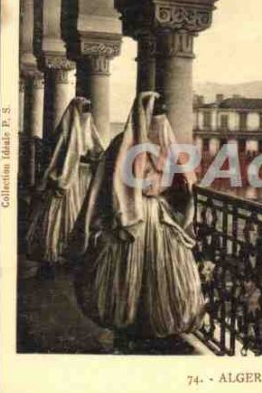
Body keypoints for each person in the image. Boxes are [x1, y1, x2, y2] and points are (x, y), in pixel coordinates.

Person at [73, 92, 205, 348]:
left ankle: (140, 325)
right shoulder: (167, 147)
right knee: (138, 276)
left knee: (146, 275)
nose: (160, 121)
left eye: (161, 115)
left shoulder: (125, 145)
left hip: (139, 216)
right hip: (149, 216)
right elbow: (186, 185)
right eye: (158, 115)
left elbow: (104, 185)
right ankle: (139, 325)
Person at [25, 97, 103, 277]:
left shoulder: (89, 131)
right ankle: (54, 256)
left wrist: (94, 160)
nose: (87, 114)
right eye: (84, 110)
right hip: (67, 180)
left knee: (82, 215)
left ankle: (75, 256)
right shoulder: (64, 134)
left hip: (84, 180)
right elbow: (59, 159)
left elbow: (96, 151)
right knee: (61, 218)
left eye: (88, 110)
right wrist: (61, 176)